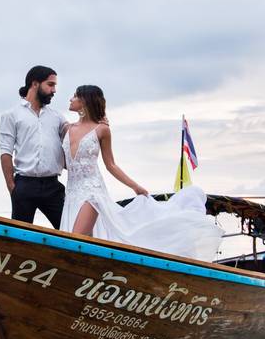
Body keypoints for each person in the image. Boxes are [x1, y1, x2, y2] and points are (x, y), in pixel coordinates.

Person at [60, 85, 224, 261]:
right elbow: (65, 162)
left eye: (75, 96)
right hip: (71, 194)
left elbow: (111, 165)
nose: (71, 99)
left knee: (74, 242)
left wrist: (135, 186)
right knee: (84, 245)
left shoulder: (102, 130)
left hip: (92, 193)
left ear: (85, 101)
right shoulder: (67, 129)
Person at [0, 66, 68, 228]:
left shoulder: (57, 116)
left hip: (53, 186)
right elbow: (6, 152)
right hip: (24, 186)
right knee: (19, 237)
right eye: (50, 85)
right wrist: (12, 187)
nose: (54, 90)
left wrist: (96, 122)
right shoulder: (11, 115)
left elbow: (75, 132)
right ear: (35, 84)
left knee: (69, 231)